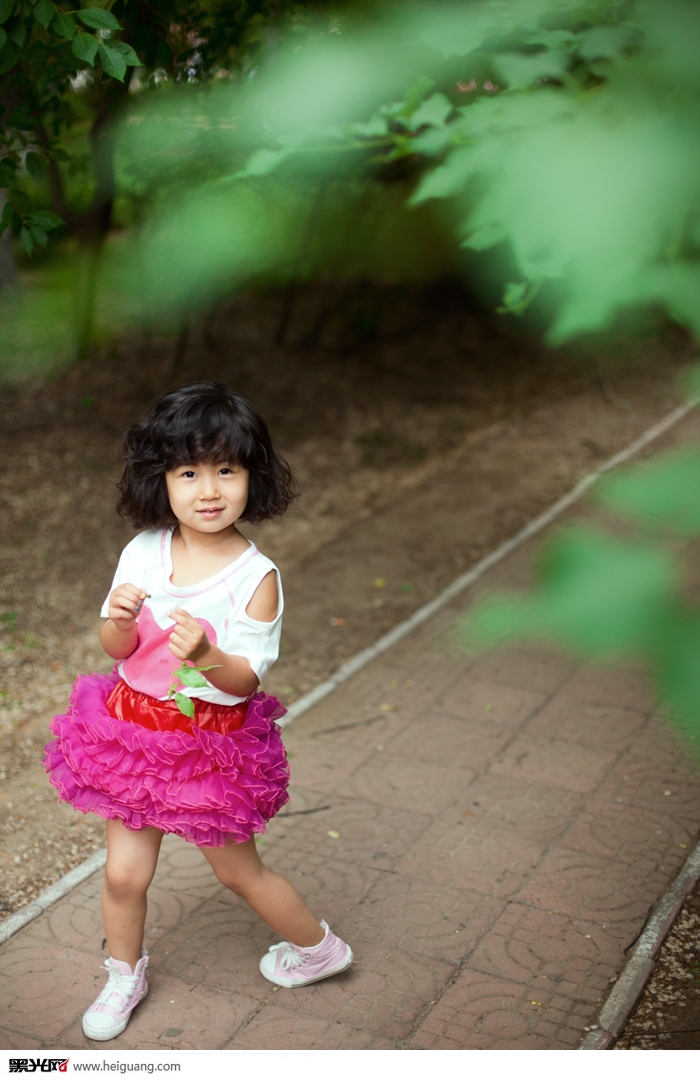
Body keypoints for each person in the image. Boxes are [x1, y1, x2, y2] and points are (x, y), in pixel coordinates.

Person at [43, 382, 352, 1042]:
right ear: (162, 480)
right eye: (189, 471)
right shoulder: (143, 551)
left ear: (251, 477)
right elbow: (117, 648)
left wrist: (208, 655)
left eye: (226, 470)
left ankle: (322, 950)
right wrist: (119, 620)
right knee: (125, 876)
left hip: (205, 745)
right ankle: (124, 973)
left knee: (239, 872)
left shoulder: (254, 577)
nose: (208, 489)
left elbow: (242, 681)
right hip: (129, 735)